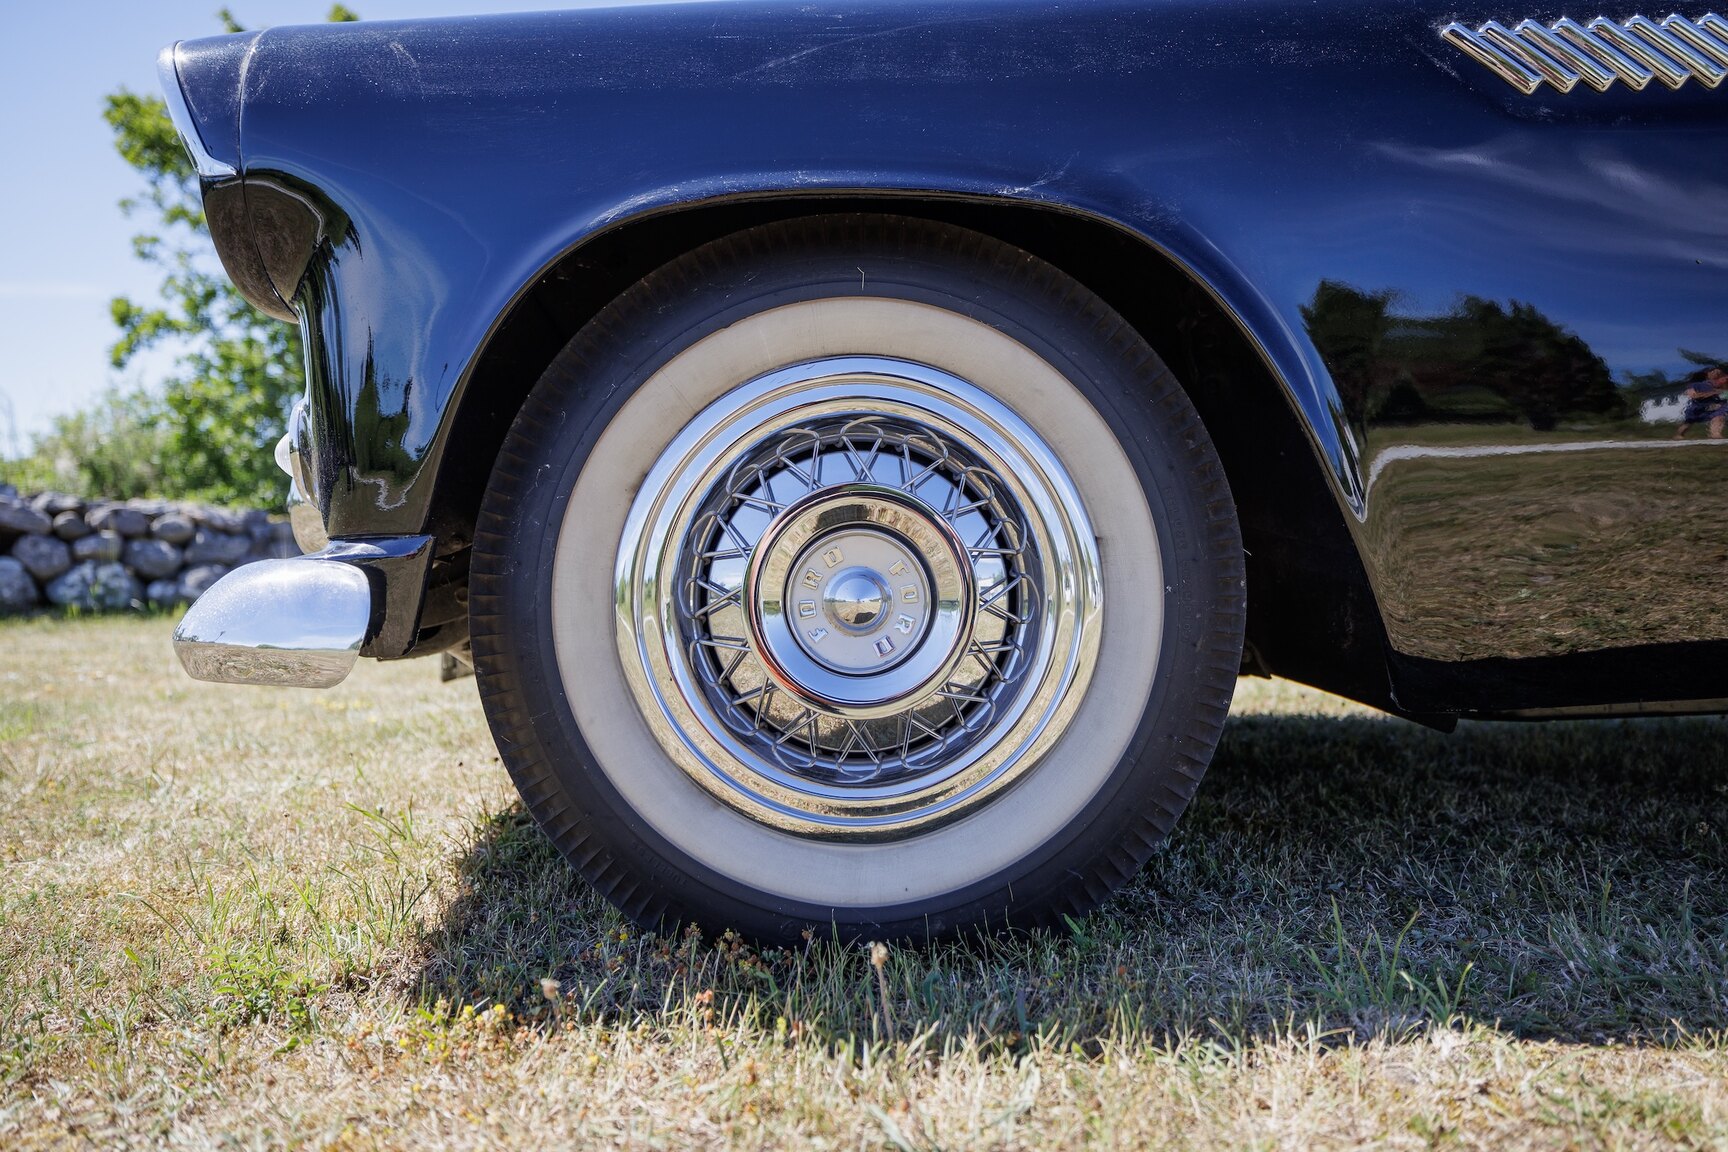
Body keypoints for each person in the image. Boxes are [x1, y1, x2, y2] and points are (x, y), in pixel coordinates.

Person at [1674, 366, 1728, 439]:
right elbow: (1693, 395)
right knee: (1688, 423)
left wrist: (1720, 393)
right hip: (1697, 408)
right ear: (1707, 375)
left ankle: (1715, 434)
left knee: (1719, 416)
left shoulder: (1722, 384)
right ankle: (1679, 434)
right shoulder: (1695, 385)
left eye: (1719, 372)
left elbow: (1724, 394)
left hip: (1714, 407)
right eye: (1713, 372)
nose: (1717, 373)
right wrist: (1710, 393)